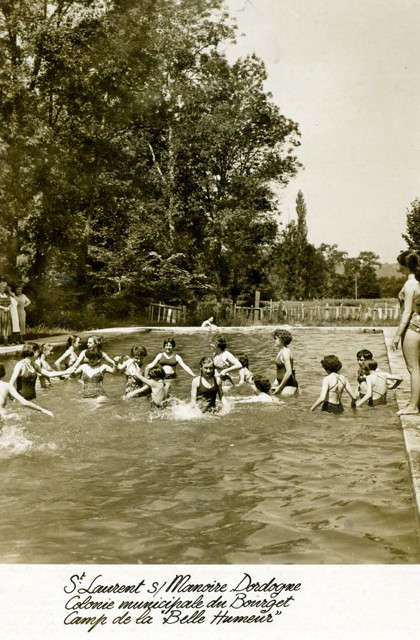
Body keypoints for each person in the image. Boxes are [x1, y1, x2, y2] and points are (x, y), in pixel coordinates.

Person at [392, 249, 420, 415]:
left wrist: (396, 336)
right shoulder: (417, 283)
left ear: (406, 266)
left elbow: (407, 311)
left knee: (413, 368)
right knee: (417, 367)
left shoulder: (410, 286)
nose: (398, 267)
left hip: (411, 328)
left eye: (400, 264)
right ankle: (416, 403)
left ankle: (412, 406)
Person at [270, 329, 298, 396]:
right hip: (282, 384)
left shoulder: (286, 352)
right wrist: (275, 384)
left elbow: (289, 372)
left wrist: (280, 388)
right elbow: (280, 371)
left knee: (284, 404)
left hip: (289, 384)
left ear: (282, 339)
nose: (274, 341)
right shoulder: (280, 352)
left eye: (276, 339)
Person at [0, 281, 11, 345]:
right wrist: (4, 308)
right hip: (0, 311)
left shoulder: (6, 295)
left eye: (4, 287)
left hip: (6, 312)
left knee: (6, 326)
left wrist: (8, 307)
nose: (3, 289)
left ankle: (5, 341)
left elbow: (11, 303)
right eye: (2, 287)